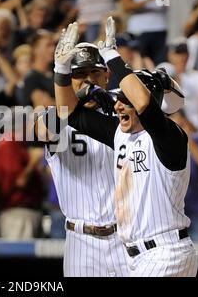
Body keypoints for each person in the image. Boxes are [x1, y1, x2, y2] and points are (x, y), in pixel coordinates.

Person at [53, 19, 197, 276]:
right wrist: (61, 69)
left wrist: (112, 56)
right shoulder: (120, 133)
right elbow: (69, 113)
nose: (118, 106)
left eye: (124, 100)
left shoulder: (168, 135)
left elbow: (144, 104)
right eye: (118, 99)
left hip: (166, 252)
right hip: (137, 255)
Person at [34, 42, 128, 276]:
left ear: (106, 76)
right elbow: (43, 130)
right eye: (78, 74)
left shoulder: (125, 116)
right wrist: (65, 86)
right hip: (81, 240)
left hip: (126, 237)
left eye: (94, 72)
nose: (88, 80)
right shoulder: (53, 117)